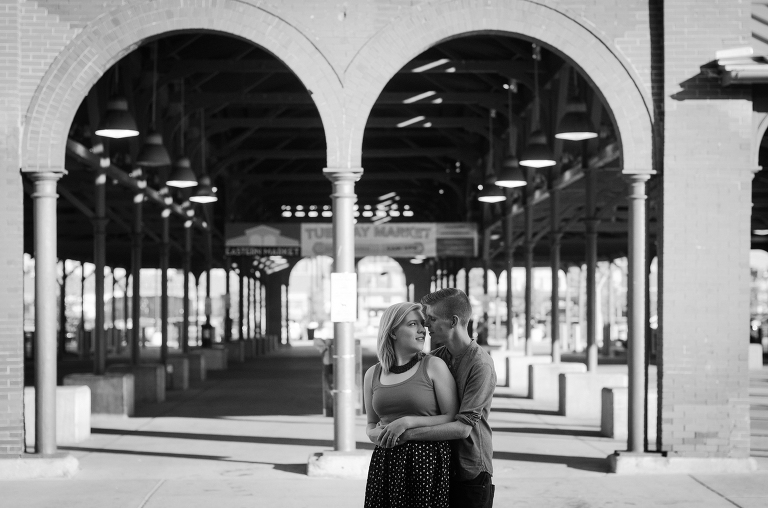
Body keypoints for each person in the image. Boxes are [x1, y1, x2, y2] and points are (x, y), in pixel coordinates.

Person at [397, 288, 496, 508]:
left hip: (470, 470)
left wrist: (408, 434)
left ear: (453, 321)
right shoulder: (435, 359)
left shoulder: (480, 364)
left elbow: (462, 429)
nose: (426, 326)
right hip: (439, 466)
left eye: (431, 319)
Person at [363, 302, 459, 508]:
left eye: (422, 324)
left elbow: (452, 416)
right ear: (393, 332)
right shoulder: (372, 374)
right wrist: (374, 435)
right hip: (386, 463)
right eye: (413, 324)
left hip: (427, 463)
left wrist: (407, 422)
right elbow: (371, 423)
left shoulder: (433, 366)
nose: (422, 330)